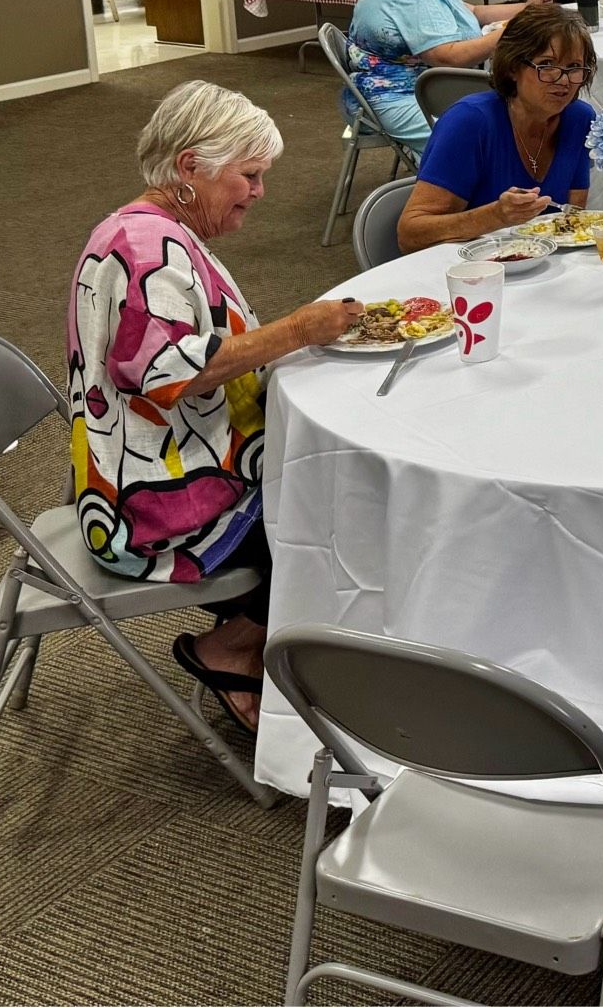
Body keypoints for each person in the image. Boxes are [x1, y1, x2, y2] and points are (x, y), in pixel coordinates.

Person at [68, 82, 365, 730]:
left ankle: (256, 632)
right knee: (338, 500)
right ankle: (235, 643)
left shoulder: (147, 230)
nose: (260, 191)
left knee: (320, 467)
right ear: (189, 168)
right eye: (250, 175)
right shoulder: (147, 252)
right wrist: (297, 330)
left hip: (139, 467)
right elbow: (173, 374)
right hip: (151, 505)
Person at [342, 0, 554, 152]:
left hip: (423, 90)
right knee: (512, 128)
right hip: (401, 97)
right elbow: (447, 57)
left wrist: (529, 7)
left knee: (525, 112)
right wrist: (514, 31)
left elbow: (472, 12)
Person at [397, 4, 597, 251]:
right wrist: (496, 216)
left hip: (540, 268)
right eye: (547, 65)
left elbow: (572, 221)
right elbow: (410, 235)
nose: (564, 80)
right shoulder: (470, 122)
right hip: (468, 271)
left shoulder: (579, 119)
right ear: (513, 67)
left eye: (574, 68)